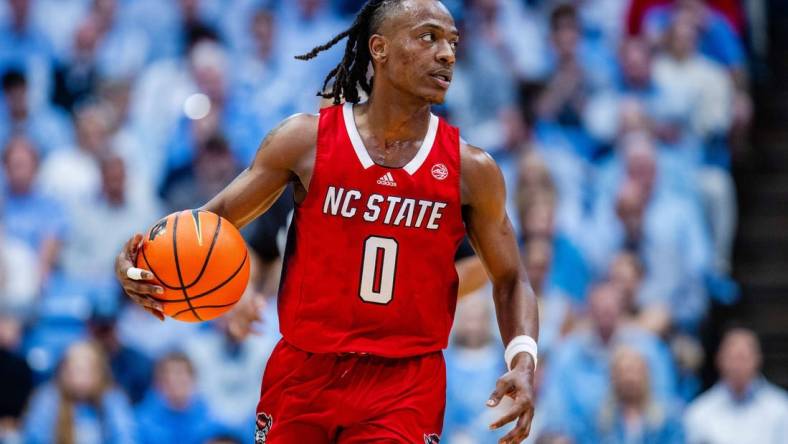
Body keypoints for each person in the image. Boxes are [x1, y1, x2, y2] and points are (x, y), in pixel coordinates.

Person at [115, 1, 539, 443]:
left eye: (452, 41)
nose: (448, 53)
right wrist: (137, 265)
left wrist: (524, 360)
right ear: (380, 48)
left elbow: (511, 278)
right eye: (429, 37)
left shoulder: (472, 169)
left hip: (404, 384)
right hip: (304, 370)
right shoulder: (304, 141)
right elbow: (211, 222)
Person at [684, 328, 788, 444]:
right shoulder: (699, 412)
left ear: (758, 359)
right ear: (719, 360)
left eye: (743, 357)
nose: (737, 365)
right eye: (732, 358)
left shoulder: (781, 408)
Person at [22, 341, 137, 444]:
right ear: (63, 371)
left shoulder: (113, 399)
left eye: (86, 370)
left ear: (99, 372)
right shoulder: (46, 398)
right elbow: (35, 438)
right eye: (74, 370)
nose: (79, 378)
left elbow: (125, 437)